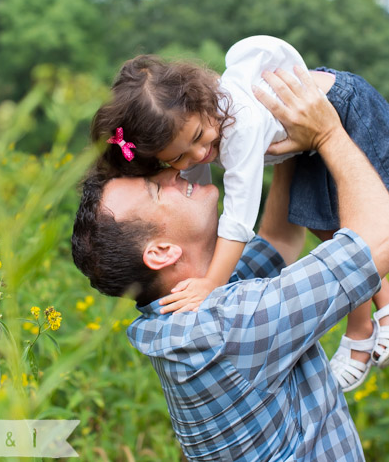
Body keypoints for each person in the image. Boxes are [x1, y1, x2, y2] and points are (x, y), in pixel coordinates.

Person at [72, 68, 389, 462]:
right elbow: (378, 235)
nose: (174, 173)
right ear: (161, 252)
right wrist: (327, 133)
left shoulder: (194, 302)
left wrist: (277, 137)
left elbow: (278, 240)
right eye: (157, 187)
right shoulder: (224, 328)